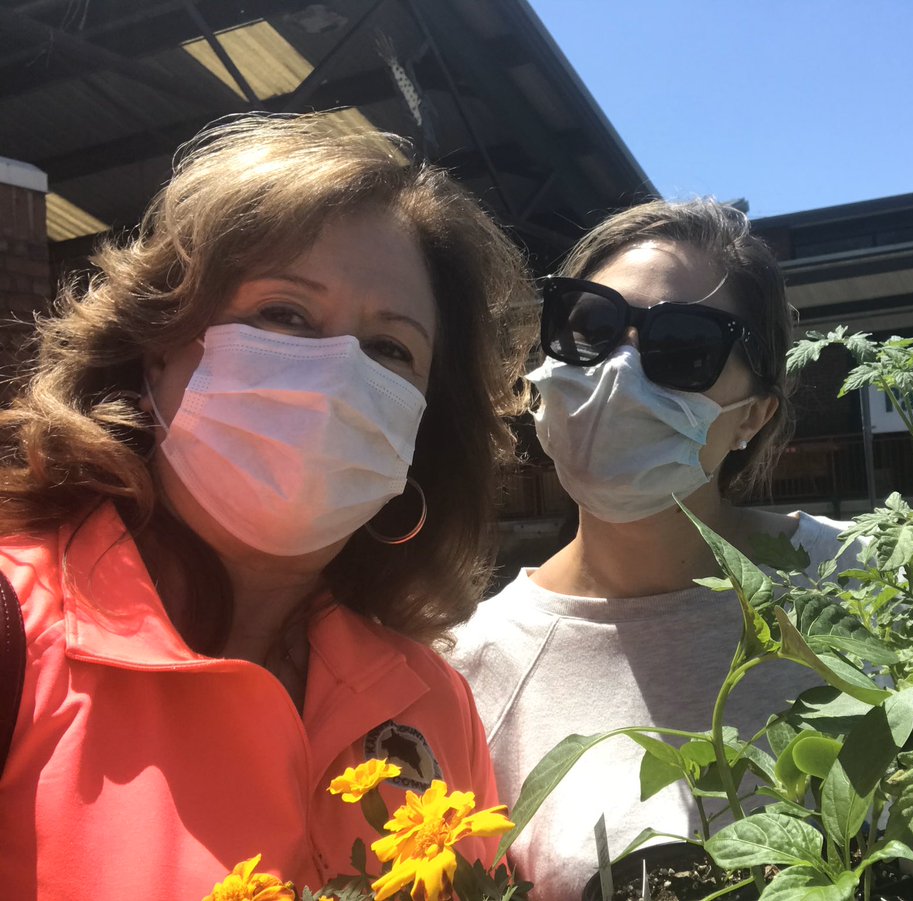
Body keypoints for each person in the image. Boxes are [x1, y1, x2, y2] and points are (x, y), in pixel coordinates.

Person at [0, 114, 532, 897]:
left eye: (391, 349)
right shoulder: (20, 632)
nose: (336, 377)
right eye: (284, 314)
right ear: (159, 342)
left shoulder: (433, 699)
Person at [447, 199, 857, 898]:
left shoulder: (857, 579)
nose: (619, 372)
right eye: (592, 325)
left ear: (754, 415)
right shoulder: (469, 666)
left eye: (684, 349)